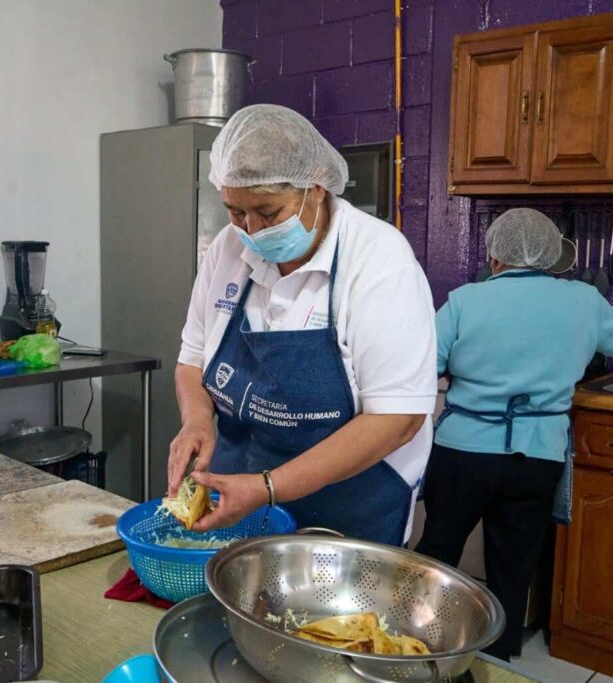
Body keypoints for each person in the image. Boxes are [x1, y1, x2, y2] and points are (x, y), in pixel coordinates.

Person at [167, 104, 436, 545]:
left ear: (314, 189)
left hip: (349, 509)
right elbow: (192, 360)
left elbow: (398, 418)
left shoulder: (379, 259)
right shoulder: (227, 249)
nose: (251, 229)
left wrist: (268, 487)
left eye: (268, 213)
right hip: (241, 498)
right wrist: (197, 421)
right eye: (235, 212)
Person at [415, 208, 613, 659]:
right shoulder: (582, 299)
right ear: (553, 258)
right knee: (514, 563)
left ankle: (420, 644)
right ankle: (498, 659)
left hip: (464, 450)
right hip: (538, 455)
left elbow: (426, 365)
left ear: (494, 258)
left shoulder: (463, 300)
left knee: (437, 551)